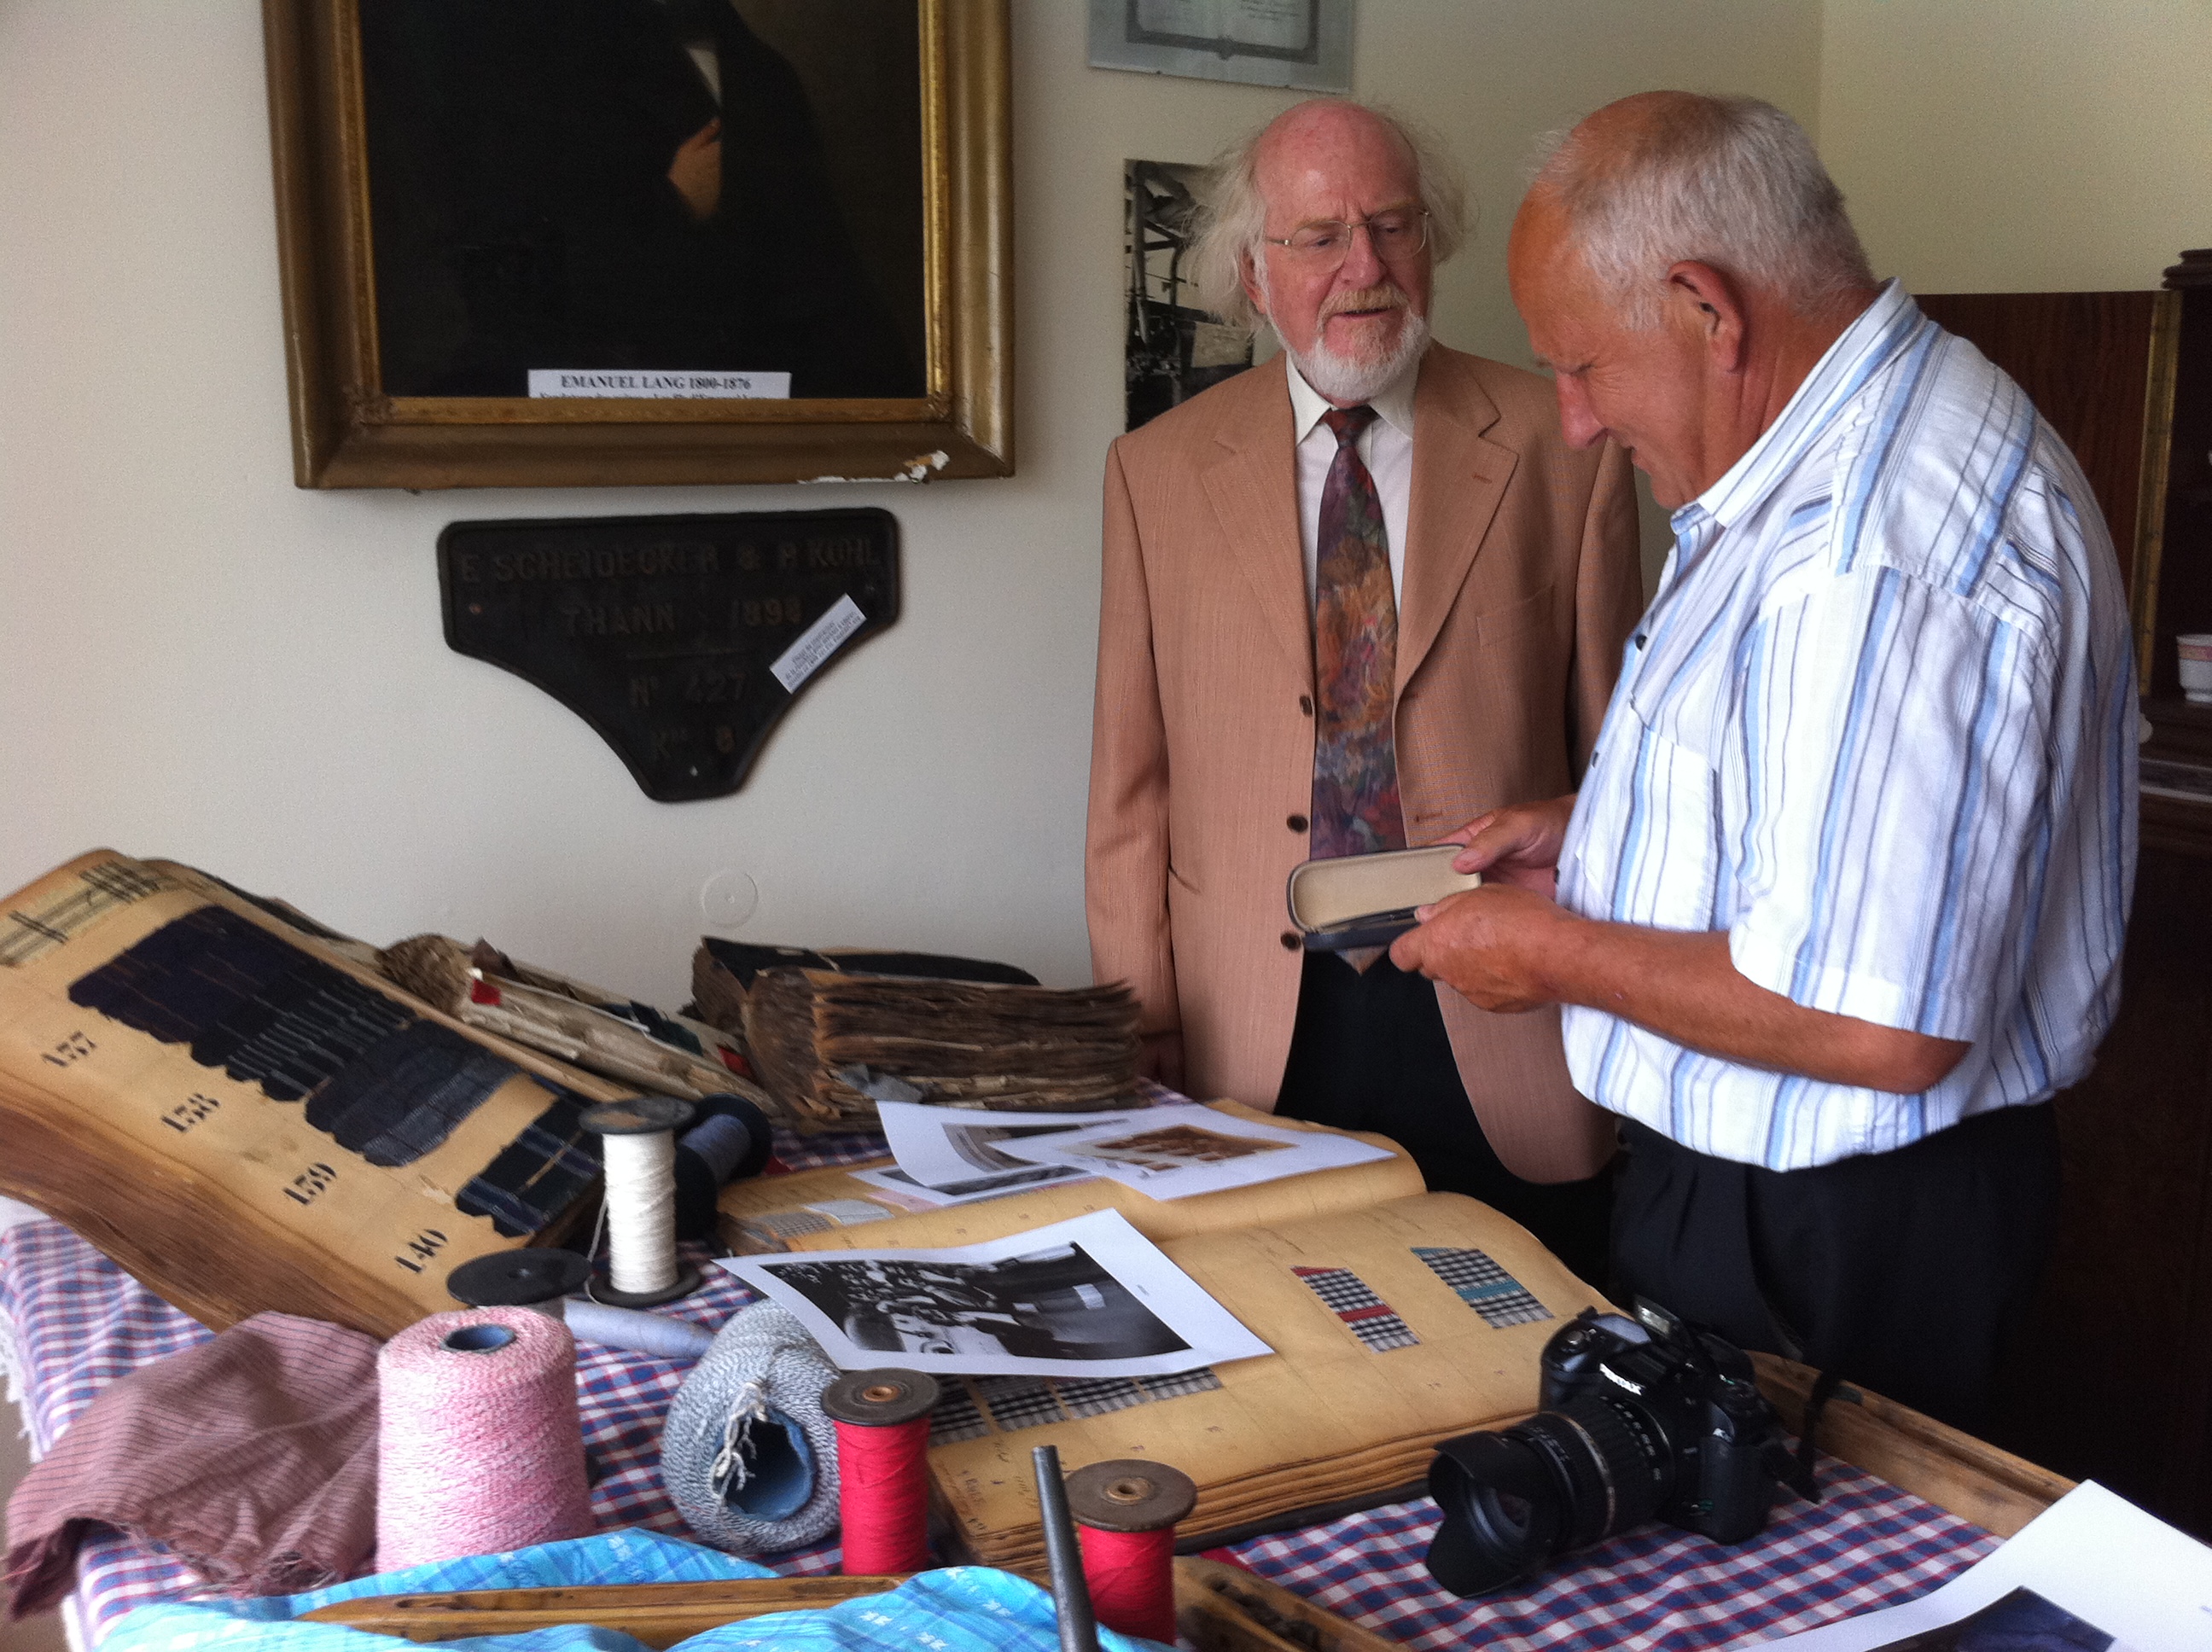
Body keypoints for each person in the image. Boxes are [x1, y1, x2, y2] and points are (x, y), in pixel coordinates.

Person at [1390, 92, 2138, 1428]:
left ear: (1705, 309)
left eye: (1579, 366)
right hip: (1786, 1211)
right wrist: (1606, 829)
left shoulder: (1878, 546)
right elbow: (1822, 783)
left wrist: (1546, 952)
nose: (1573, 421)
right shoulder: (1823, 455)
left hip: (1829, 1238)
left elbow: (1877, 1018)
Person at [1086, 100, 1644, 1281]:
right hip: (1253, 1029)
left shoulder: (1567, 442)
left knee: (1532, 1358)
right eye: (1319, 236)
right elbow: (1130, 794)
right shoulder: (1156, 472)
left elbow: (1621, 767)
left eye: (1393, 227)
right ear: (1251, 269)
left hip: (1502, 1008)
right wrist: (1138, 1038)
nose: (1365, 268)